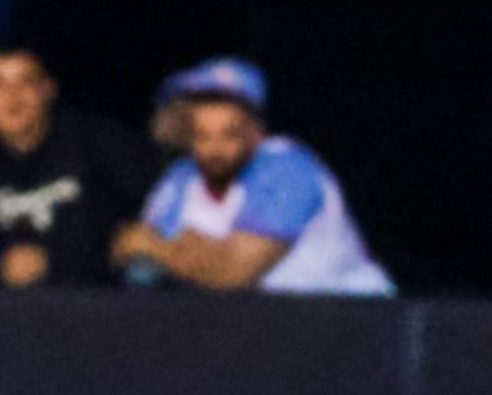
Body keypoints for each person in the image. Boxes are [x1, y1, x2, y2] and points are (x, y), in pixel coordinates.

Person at [113, 58, 391, 296]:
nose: (215, 148)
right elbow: (133, 256)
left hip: (354, 316)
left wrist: (165, 250)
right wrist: (178, 252)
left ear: (256, 130)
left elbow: (232, 274)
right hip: (264, 324)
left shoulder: (289, 168)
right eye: (202, 132)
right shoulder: (182, 178)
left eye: (229, 132)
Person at [0, 46, 154, 288]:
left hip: (99, 304)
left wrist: (59, 262)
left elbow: (149, 219)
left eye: (25, 83)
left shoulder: (94, 142)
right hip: (9, 314)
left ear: (48, 90)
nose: (12, 97)